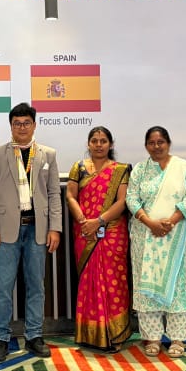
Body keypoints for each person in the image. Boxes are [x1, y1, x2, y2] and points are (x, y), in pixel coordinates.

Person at [0, 102, 62, 361]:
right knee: (3, 286)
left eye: (27, 123)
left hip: (38, 229)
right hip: (5, 231)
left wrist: (55, 228)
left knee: (36, 285)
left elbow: (54, 194)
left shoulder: (48, 154)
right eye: (17, 123)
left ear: (34, 125)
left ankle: (34, 336)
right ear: (11, 126)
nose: (22, 127)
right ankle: (1, 338)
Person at [125, 126, 186, 358]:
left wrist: (172, 220)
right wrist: (150, 222)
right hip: (146, 236)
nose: (156, 146)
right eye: (151, 143)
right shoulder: (140, 170)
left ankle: (178, 339)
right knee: (147, 286)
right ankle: (152, 338)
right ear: (146, 146)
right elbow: (131, 198)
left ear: (168, 143)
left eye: (160, 142)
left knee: (179, 287)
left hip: (178, 236)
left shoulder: (183, 168)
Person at [65, 126, 131, 352]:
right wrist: (84, 221)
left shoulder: (120, 170)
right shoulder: (79, 167)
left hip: (112, 232)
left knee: (114, 281)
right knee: (89, 281)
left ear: (111, 144)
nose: (99, 145)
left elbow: (122, 201)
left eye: (103, 141)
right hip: (85, 230)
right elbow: (71, 196)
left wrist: (99, 221)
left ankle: (116, 334)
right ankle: (89, 334)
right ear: (88, 144)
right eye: (94, 140)